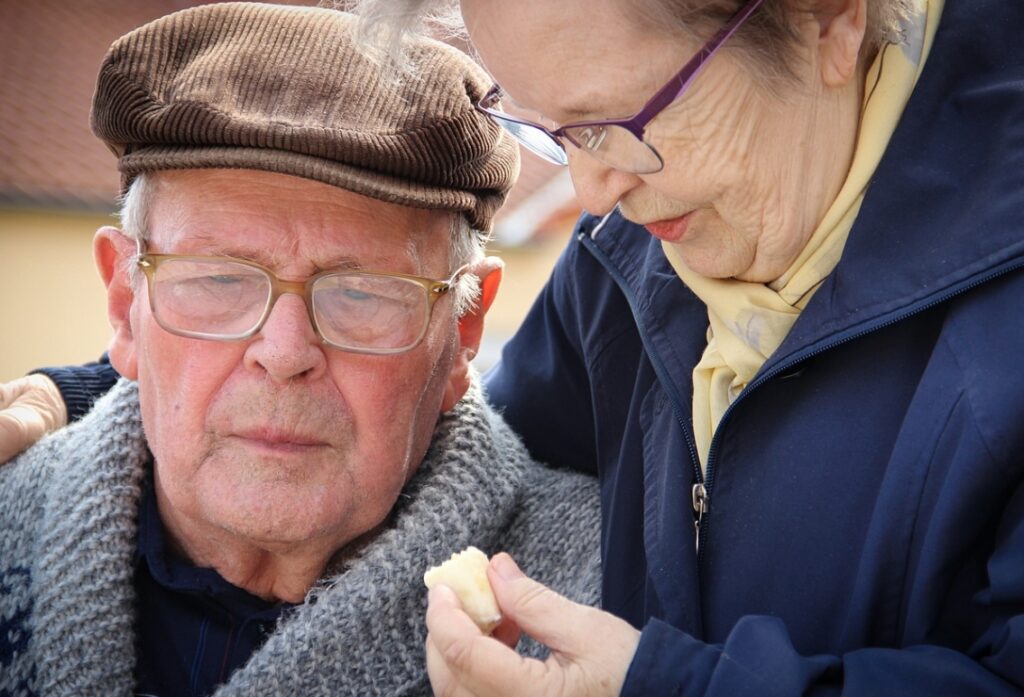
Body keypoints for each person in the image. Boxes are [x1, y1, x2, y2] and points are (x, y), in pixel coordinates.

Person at [6, 0, 1023, 694]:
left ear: (830, 20)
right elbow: (420, 410)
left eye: (622, 119)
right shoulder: (631, 262)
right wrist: (88, 398)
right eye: (555, 133)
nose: (588, 200)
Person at [0, 4, 602, 696]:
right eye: (221, 278)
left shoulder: (599, 599)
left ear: (462, 331)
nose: (284, 353)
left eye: (361, 293)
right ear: (123, 306)